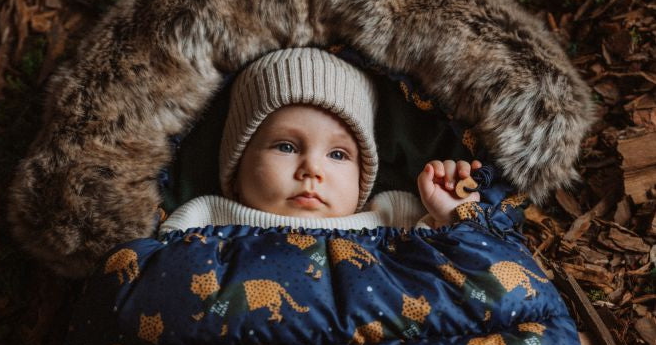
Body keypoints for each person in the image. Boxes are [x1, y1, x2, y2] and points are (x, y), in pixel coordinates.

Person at [159, 48, 481, 236]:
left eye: (338, 154)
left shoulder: (391, 215)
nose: (312, 169)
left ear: (363, 178)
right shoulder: (203, 219)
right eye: (286, 147)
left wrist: (450, 214)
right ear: (236, 168)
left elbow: (439, 272)